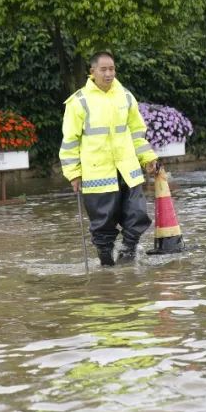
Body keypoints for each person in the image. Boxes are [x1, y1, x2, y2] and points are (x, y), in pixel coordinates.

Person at [60, 51, 158, 266]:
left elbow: (136, 132)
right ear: (92, 72)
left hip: (128, 171)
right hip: (97, 175)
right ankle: (107, 268)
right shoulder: (79, 101)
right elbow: (70, 141)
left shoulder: (125, 96)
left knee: (138, 216)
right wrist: (73, 173)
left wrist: (147, 157)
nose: (108, 73)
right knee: (103, 227)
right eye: (103, 69)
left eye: (111, 69)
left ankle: (127, 256)